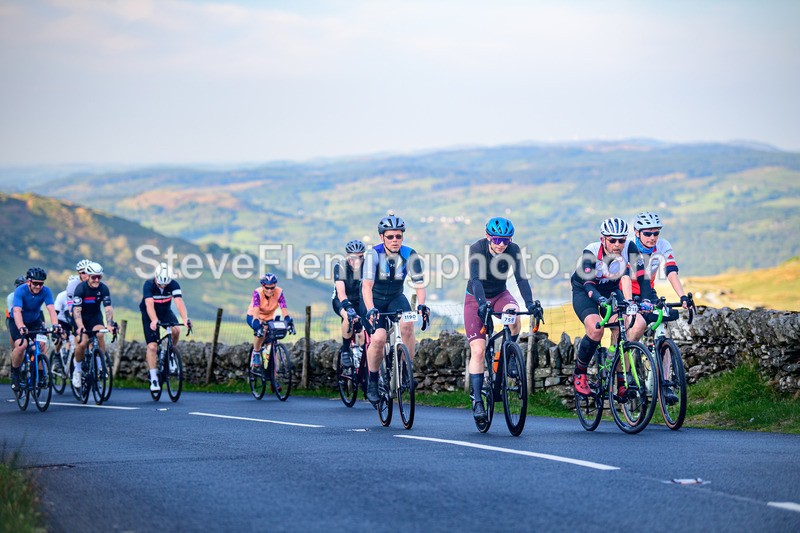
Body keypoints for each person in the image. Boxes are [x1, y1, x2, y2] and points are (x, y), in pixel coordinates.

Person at [464, 217, 543, 422]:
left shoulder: (513, 250)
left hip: (500, 295)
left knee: (513, 315)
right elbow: (475, 280)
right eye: (497, 239)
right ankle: (477, 402)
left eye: (505, 240)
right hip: (475, 298)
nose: (501, 244)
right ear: (488, 236)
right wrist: (482, 304)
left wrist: (530, 303)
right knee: (479, 350)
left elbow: (521, 278)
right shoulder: (477, 249)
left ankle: (508, 355)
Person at [570, 217, 646, 398]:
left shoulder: (629, 248)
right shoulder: (591, 251)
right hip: (585, 291)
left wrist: (637, 302)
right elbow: (588, 285)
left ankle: (621, 382)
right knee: (596, 329)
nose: (617, 244)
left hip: (610, 291)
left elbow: (641, 278)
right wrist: (600, 300)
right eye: (612, 240)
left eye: (621, 240)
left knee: (625, 327)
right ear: (603, 239)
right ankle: (580, 373)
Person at [362, 213, 428, 404]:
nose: (395, 240)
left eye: (398, 236)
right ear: (382, 237)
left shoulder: (409, 254)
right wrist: (370, 309)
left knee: (408, 323)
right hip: (372, 299)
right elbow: (366, 286)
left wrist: (422, 304)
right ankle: (373, 382)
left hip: (396, 297)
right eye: (390, 236)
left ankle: (406, 369)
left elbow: (419, 286)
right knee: (379, 338)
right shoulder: (373, 254)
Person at [140, 263, 191, 392]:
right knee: (152, 346)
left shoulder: (173, 284)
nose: (163, 286)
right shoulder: (149, 284)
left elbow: (179, 302)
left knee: (176, 330)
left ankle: (170, 355)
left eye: (165, 284)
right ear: (156, 278)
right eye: (160, 284)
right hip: (149, 314)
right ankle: (154, 378)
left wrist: (185, 319)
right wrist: (154, 320)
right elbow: (149, 305)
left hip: (165, 311)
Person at [9, 267, 61, 393]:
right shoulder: (21, 290)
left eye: (41, 283)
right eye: (35, 283)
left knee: (42, 345)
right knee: (22, 346)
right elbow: (16, 311)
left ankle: (41, 375)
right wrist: (21, 326)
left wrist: (55, 325)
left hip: (34, 321)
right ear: (29, 282)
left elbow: (51, 309)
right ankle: (15, 374)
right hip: (17, 320)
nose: (38, 286)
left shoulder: (46, 291)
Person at [71, 262, 118, 389]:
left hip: (95, 316)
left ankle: (101, 367)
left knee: (100, 334)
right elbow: (76, 311)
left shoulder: (103, 288)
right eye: (94, 277)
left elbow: (108, 308)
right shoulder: (80, 288)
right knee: (82, 343)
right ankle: (77, 370)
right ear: (88, 276)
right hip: (80, 318)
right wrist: (80, 326)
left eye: (99, 277)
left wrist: (109, 324)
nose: (96, 280)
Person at [332, 240, 367, 368]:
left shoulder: (367, 267)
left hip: (360, 301)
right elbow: (341, 292)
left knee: (365, 330)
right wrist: (348, 307)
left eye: (360, 257)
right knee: (348, 316)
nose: (356, 260)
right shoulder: (340, 267)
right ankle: (346, 350)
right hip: (342, 301)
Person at [246, 273, 293, 368]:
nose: (269, 290)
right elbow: (256, 308)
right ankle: (256, 352)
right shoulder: (257, 293)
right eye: (267, 288)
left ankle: (272, 377)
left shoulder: (279, 292)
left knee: (272, 341)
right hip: (254, 316)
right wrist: (256, 322)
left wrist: (288, 320)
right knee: (261, 330)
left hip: (268, 317)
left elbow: (283, 308)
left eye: (272, 288)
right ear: (262, 286)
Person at [6, 276, 26, 350]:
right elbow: (13, 312)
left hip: (26, 317)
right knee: (13, 332)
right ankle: (14, 349)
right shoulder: (11, 296)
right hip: (11, 317)